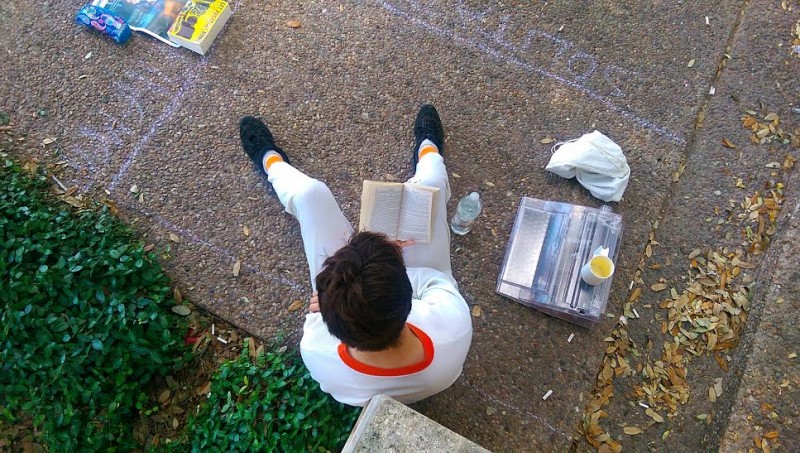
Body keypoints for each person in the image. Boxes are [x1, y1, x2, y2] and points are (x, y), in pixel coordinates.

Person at [239, 105, 473, 407]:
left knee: (310, 195)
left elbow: (317, 317)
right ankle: (428, 149)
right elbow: (436, 280)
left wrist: (325, 299)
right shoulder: (452, 327)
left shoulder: (317, 349)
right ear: (406, 300)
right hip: (420, 291)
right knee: (429, 185)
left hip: (378, 308)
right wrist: (393, 256)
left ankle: (271, 163)